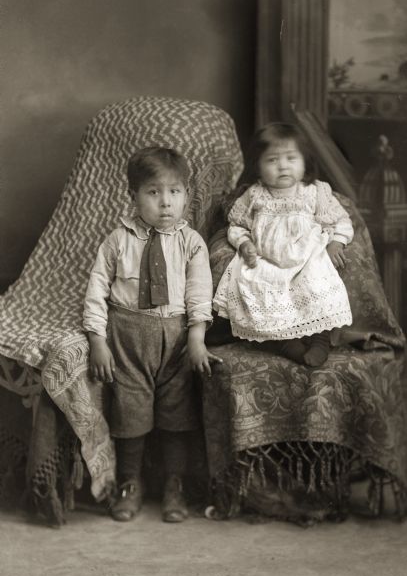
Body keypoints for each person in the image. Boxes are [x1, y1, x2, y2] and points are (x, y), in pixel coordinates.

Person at [83, 146, 221, 523]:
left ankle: (174, 484)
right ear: (133, 195)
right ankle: (130, 483)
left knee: (177, 412)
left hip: (176, 339)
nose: (165, 203)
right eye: (153, 192)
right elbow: (97, 289)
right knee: (130, 411)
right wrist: (97, 339)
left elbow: (199, 291)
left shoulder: (191, 242)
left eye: (174, 192)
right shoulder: (117, 240)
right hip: (127, 336)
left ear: (187, 197)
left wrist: (196, 336)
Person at [213, 122, 354, 367]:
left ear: (304, 162)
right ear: (257, 166)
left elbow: (341, 221)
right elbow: (236, 226)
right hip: (267, 258)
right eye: (272, 160)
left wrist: (336, 244)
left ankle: (320, 340)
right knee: (256, 285)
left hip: (306, 257)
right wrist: (245, 243)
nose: (283, 166)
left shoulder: (314, 192)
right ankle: (285, 342)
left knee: (317, 282)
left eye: (291, 158)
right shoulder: (254, 195)